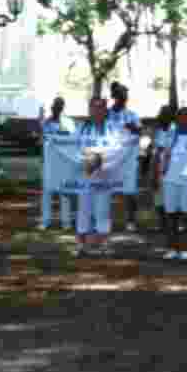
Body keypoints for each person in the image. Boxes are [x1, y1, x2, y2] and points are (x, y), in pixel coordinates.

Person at [75, 97, 127, 256]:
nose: (97, 111)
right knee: (83, 210)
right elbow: (73, 149)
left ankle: (104, 244)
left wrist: (101, 161)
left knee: (103, 210)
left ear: (105, 110)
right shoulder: (82, 128)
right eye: (94, 108)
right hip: (86, 176)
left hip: (104, 175)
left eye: (100, 108)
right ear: (89, 110)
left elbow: (118, 150)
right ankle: (81, 246)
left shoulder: (113, 129)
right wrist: (87, 160)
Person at [159, 107, 187, 262]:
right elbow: (161, 154)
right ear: (177, 119)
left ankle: (185, 248)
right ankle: (171, 248)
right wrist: (158, 175)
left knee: (186, 215)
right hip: (170, 179)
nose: (183, 119)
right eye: (180, 117)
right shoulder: (169, 134)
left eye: (186, 117)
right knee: (170, 214)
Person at [107, 85, 142, 231]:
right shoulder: (106, 114)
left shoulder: (132, 114)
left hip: (127, 158)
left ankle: (131, 221)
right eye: (121, 97)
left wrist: (131, 127)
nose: (124, 100)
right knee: (106, 188)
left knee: (130, 189)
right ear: (115, 97)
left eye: (125, 97)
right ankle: (105, 219)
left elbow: (140, 131)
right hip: (109, 157)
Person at [40, 97, 75, 231]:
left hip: (64, 162)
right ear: (52, 107)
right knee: (47, 191)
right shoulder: (46, 122)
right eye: (55, 106)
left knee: (65, 192)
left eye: (60, 106)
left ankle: (66, 222)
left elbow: (72, 138)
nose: (56, 108)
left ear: (63, 107)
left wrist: (63, 132)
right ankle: (45, 221)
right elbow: (43, 139)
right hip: (50, 162)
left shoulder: (68, 122)